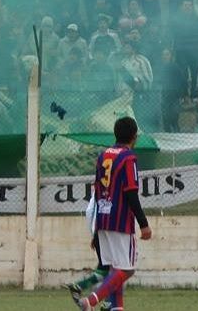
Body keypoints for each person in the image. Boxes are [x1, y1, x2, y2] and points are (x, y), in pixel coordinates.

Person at [77, 117, 151, 310]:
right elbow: (131, 192)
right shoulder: (128, 158)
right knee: (126, 270)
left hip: (102, 219)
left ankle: (115, 308)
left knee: (114, 271)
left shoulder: (103, 156)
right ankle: (91, 301)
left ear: (115, 134)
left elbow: (97, 193)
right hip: (120, 222)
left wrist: (95, 230)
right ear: (134, 137)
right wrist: (143, 223)